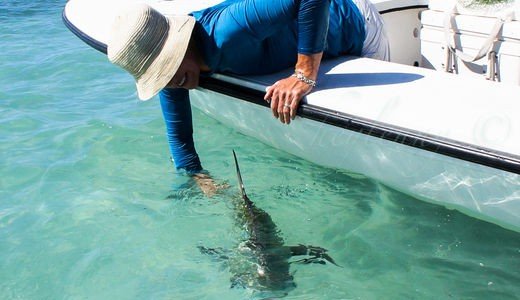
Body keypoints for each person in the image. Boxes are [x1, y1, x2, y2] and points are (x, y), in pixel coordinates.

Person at [107, 0, 389, 194]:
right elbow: (180, 138)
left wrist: (304, 73)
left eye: (165, 67)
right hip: (323, 41)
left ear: (177, 47)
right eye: (160, 75)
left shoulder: (228, 31)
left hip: (356, 24)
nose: (167, 82)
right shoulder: (176, 75)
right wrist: (199, 178)